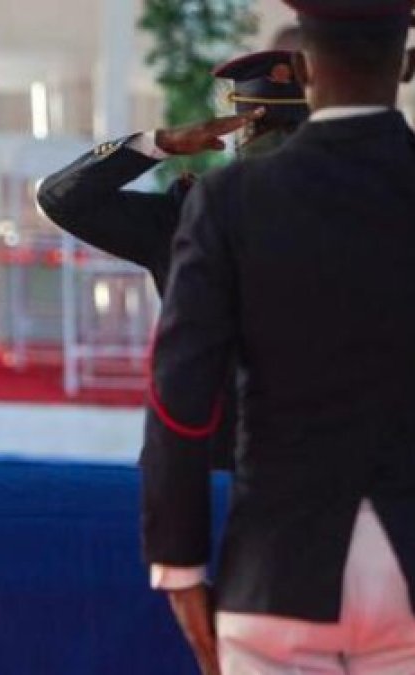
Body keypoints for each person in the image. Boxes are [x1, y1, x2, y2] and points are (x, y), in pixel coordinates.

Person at [141, 0, 415, 672]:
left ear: (301, 68)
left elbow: (181, 398)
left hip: (276, 569)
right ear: (407, 64)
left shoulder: (231, 199)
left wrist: (179, 565)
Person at [37, 50, 308, 470]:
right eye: (262, 131)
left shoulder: (346, 216)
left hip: (304, 455)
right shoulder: (188, 216)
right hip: (206, 451)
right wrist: (157, 144)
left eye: (289, 131)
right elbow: (63, 200)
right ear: (240, 135)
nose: (275, 147)